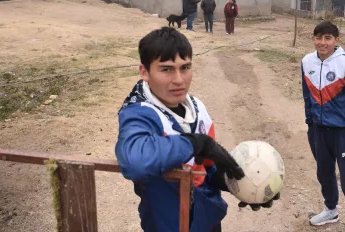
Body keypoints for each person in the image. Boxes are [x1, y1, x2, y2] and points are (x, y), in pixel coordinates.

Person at [116, 27, 279, 232]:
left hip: (208, 221)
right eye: (166, 69)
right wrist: (195, 143)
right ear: (144, 72)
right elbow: (135, 161)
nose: (178, 79)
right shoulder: (139, 114)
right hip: (169, 226)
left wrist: (239, 184)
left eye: (185, 68)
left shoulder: (197, 108)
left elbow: (204, 170)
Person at [301, 21, 345, 232]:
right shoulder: (306, 62)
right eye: (318, 38)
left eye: (328, 38)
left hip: (343, 132)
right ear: (313, 39)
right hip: (319, 131)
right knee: (324, 174)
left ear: (336, 40)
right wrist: (310, 124)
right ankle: (331, 210)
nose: (322, 43)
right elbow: (306, 96)